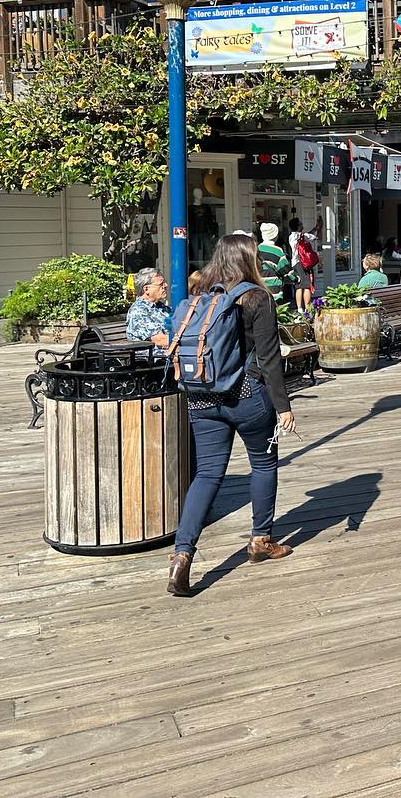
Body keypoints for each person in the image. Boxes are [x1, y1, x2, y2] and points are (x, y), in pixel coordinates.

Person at [167, 234, 295, 597]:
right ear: (250, 258)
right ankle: (260, 540)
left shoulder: (199, 293)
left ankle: (182, 554)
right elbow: (269, 359)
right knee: (263, 464)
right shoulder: (256, 297)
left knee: (207, 474)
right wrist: (283, 407)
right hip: (246, 396)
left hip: (201, 396)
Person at [125, 267, 171, 349]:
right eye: (161, 284)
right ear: (146, 289)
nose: (166, 285)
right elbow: (160, 340)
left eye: (165, 282)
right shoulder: (139, 311)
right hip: (154, 358)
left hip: (172, 355)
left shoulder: (161, 307)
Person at [286, 217, 316, 318]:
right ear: (298, 226)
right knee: (307, 285)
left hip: (295, 263)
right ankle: (308, 308)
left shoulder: (291, 236)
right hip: (303, 263)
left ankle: (299, 308)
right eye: (301, 224)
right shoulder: (301, 236)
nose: (302, 225)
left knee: (298, 285)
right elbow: (312, 237)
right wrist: (317, 228)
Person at [257, 223, 292, 306]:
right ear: (275, 235)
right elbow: (284, 269)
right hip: (273, 287)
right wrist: (295, 279)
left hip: (259, 286)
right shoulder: (277, 251)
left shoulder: (256, 249)